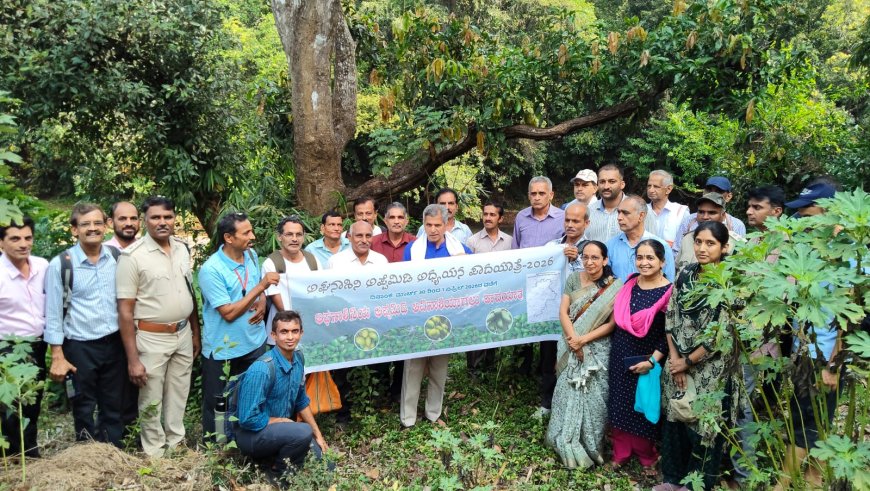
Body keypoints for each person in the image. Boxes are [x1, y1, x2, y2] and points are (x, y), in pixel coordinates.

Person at [656, 221, 742, 491]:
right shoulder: (686, 273)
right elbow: (671, 315)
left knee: (704, 424)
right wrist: (675, 360)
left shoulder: (730, 282)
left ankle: (697, 484)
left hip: (711, 367)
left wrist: (688, 362)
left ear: (724, 247)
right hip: (677, 360)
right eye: (698, 242)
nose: (702, 248)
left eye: (710, 243)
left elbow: (721, 333)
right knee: (675, 418)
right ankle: (672, 479)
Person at [115, 196, 201, 456]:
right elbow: (125, 311)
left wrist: (195, 333)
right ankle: (154, 451)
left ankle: (176, 443)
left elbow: (189, 293)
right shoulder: (132, 256)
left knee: (179, 391)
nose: (162, 222)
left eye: (167, 217)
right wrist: (133, 360)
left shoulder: (182, 249)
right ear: (145, 221)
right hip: (151, 337)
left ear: (174, 219)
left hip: (183, 334)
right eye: (155, 217)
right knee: (151, 397)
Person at [775, 182, 841, 490]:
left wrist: (833, 365)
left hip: (825, 355)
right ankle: (814, 481)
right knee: (812, 419)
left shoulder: (849, 254)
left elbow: (853, 316)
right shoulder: (813, 249)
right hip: (805, 349)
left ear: (829, 211)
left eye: (807, 210)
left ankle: (783, 483)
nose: (800, 216)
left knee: (808, 421)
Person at [45, 203, 129, 446]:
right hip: (79, 347)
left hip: (114, 343)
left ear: (106, 226)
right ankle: (86, 454)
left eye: (97, 223)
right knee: (83, 404)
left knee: (113, 403)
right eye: (85, 224)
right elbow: (53, 313)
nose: (93, 228)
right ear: (75, 230)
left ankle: (113, 452)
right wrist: (57, 355)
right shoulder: (61, 265)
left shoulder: (116, 258)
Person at [198, 212, 279, 440]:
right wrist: (261, 287)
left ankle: (244, 439)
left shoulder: (250, 255)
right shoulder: (211, 270)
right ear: (228, 238)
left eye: (251, 230)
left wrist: (261, 300)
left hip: (254, 342)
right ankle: (216, 443)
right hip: (223, 348)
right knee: (219, 400)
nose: (252, 236)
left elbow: (253, 286)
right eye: (246, 233)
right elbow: (229, 313)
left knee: (250, 394)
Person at [546, 240, 621, 469]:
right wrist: (574, 342)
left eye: (595, 257)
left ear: (605, 260)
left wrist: (583, 340)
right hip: (570, 344)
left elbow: (611, 324)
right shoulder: (573, 279)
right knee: (565, 392)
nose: (589, 262)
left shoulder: (614, 287)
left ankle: (592, 447)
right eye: (585, 257)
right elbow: (563, 312)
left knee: (595, 397)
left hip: (597, 349)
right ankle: (562, 439)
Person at [401, 204, 472, 428]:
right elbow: (403, 283)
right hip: (418, 317)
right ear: (423, 224)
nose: (433, 229)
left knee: (439, 369)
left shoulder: (459, 249)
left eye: (437, 225)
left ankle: (433, 414)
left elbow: (473, 277)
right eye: (428, 225)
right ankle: (408, 419)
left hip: (445, 317)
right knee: (413, 368)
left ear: (446, 224)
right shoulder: (412, 250)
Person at [236, 310, 328, 479]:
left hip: (282, 431)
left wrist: (318, 435)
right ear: (274, 335)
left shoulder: (298, 358)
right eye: (284, 332)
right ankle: (277, 477)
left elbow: (301, 400)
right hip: (252, 435)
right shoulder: (262, 369)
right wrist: (278, 421)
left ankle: (276, 459)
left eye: (295, 331)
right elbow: (246, 418)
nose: (290, 337)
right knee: (302, 432)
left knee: (327, 466)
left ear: (301, 333)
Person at [608, 240, 672, 475]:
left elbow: (669, 332)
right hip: (621, 352)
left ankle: (647, 455)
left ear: (662, 262)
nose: (644, 262)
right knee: (619, 403)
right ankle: (621, 452)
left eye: (650, 258)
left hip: (649, 356)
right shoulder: (629, 283)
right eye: (640, 257)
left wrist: (652, 361)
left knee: (645, 404)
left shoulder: (669, 292)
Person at [511, 176, 565, 419]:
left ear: (551, 195)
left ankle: (547, 396)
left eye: (542, 193)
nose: (537, 197)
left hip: (552, 291)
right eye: (533, 193)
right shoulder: (521, 218)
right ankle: (520, 378)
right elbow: (515, 252)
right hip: (525, 287)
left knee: (548, 344)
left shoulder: (563, 218)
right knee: (523, 336)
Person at [328, 221, 388, 423]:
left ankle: (374, 408)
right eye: (359, 236)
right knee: (343, 368)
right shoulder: (336, 262)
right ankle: (343, 412)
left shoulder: (381, 261)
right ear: (349, 237)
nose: (364, 240)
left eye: (368, 236)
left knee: (377, 364)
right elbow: (331, 294)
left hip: (373, 322)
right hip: (344, 322)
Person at [0, 216, 48, 457]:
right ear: (1, 243)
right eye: (15, 238)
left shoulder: (42, 266)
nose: (23, 244)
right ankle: (12, 456)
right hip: (7, 348)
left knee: (33, 400)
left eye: (28, 238)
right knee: (9, 405)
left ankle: (30, 452)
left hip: (38, 344)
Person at [369, 202, 416, 401]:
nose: (396, 221)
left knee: (403, 350)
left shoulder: (416, 243)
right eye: (392, 217)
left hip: (406, 307)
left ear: (406, 220)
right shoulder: (373, 242)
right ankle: (378, 390)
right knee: (379, 348)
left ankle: (397, 391)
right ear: (385, 220)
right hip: (378, 306)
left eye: (400, 217)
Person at [465, 201, 512, 371]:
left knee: (495, 326)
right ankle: (473, 369)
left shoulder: (509, 241)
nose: (488, 218)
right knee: (477, 329)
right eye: (485, 214)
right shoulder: (472, 241)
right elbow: (466, 270)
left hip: (499, 294)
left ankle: (490, 366)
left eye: (492, 214)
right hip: (478, 294)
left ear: (500, 218)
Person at [263, 216, 322, 335]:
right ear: (279, 236)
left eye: (298, 234)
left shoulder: (312, 260)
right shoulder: (271, 263)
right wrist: (297, 324)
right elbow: (277, 300)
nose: (294, 239)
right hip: (283, 329)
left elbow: (320, 291)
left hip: (312, 325)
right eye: (289, 234)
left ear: (303, 236)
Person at [606, 195, 675, 282]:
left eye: (625, 213)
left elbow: (669, 282)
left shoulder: (661, 246)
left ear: (641, 216)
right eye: (618, 212)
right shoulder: (610, 245)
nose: (619, 217)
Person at [673, 176, 746, 255]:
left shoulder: (736, 225)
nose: (712, 194)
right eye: (709, 190)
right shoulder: (690, 220)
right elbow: (676, 251)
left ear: (728, 196)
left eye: (718, 191)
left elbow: (740, 255)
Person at [587, 165, 658, 243]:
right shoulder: (588, 211)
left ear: (622, 184)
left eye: (612, 181)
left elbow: (654, 243)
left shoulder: (641, 209)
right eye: (602, 182)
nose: (606, 186)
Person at [674, 193, 742, 270]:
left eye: (712, 213)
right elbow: (677, 268)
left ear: (722, 215)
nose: (705, 217)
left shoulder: (736, 244)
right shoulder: (687, 238)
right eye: (701, 212)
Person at [646, 170, 689, 248]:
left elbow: (685, 243)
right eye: (649, 186)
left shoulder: (680, 212)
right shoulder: (642, 210)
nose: (651, 190)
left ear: (668, 189)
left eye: (656, 186)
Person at [547, 202, 590, 273]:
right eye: (567, 220)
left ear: (586, 223)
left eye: (575, 221)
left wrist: (576, 260)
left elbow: (591, 276)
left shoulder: (592, 250)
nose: (570, 225)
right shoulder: (551, 245)